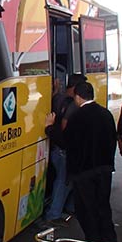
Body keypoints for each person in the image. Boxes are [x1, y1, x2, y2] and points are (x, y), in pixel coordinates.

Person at [64, 81, 118, 242]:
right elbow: (112, 139)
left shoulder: (77, 117)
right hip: (104, 169)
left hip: (84, 172)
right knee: (103, 206)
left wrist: (49, 128)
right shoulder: (106, 113)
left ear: (78, 97)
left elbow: (66, 142)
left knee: (87, 209)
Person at [43, 73, 87, 226]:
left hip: (55, 147)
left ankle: (67, 207)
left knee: (65, 181)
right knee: (64, 181)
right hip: (63, 150)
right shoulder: (74, 105)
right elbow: (65, 127)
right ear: (75, 88)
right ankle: (53, 214)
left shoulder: (59, 97)